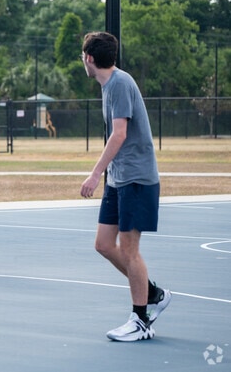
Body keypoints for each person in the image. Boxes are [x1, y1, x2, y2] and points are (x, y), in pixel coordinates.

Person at [79, 32, 171, 342]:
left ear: (89, 58)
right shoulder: (110, 85)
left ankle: (141, 319)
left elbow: (119, 134)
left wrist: (94, 175)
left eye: (82, 56)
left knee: (130, 250)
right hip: (120, 180)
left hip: (136, 178)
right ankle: (153, 292)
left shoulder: (118, 84)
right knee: (104, 244)